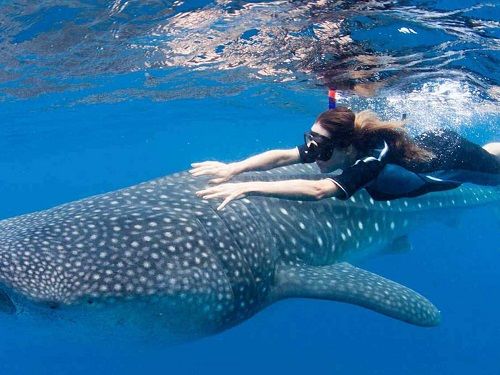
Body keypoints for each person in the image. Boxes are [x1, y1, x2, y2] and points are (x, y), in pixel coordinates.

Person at [191, 107, 500, 210]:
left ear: (345, 147)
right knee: (489, 152)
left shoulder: (370, 162)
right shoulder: (339, 147)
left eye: (320, 148)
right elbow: (282, 156)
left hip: (451, 161)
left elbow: (318, 190)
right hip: (433, 144)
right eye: (310, 143)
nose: (312, 154)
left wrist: (248, 188)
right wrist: (235, 168)